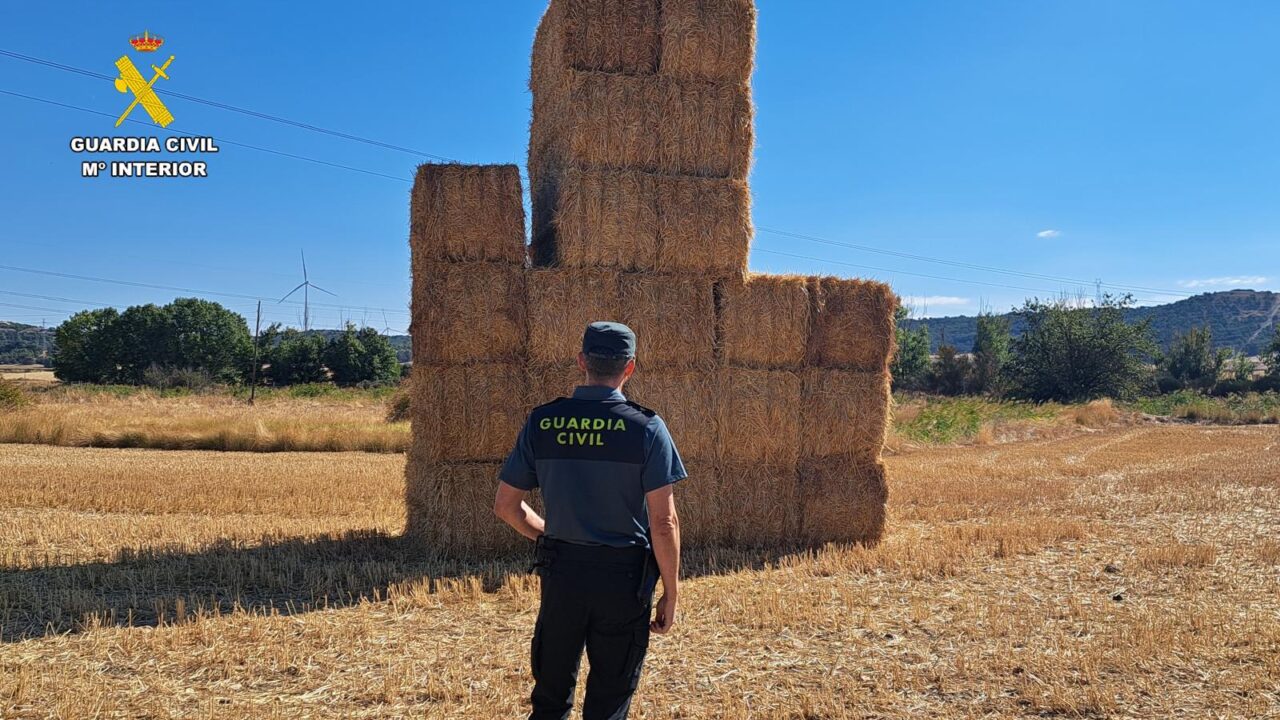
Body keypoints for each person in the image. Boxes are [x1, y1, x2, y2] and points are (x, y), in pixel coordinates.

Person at [494, 321, 686, 720]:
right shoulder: (647, 427)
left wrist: (548, 536)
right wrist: (671, 590)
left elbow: (506, 506)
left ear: (582, 361)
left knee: (550, 695)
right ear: (629, 367)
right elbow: (663, 522)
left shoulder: (543, 421)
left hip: (562, 571)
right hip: (623, 579)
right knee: (609, 699)